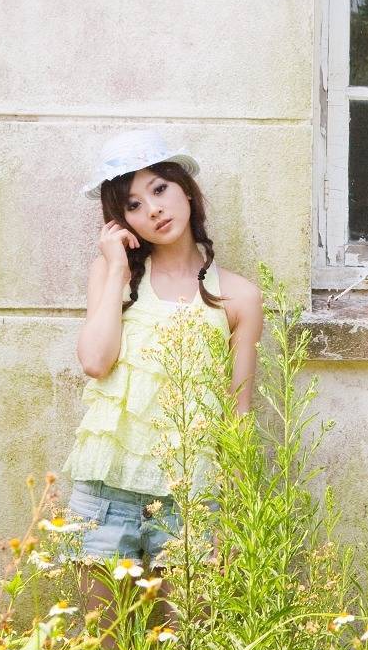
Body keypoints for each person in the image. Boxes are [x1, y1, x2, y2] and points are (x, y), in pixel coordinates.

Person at [64, 129, 261, 590]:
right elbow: (95, 361)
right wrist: (115, 266)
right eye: (132, 204)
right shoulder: (114, 277)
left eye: (159, 189)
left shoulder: (239, 297)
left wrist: (234, 516)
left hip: (191, 497)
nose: (152, 209)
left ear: (185, 188)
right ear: (121, 220)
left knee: (185, 647)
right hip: (107, 489)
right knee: (102, 647)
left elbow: (239, 412)